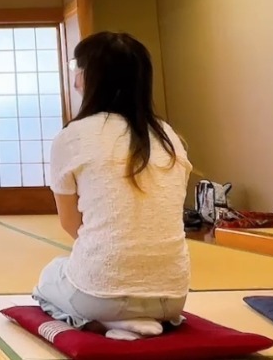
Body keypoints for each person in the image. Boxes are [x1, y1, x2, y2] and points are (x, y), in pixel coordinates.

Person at [33, 31, 192, 341]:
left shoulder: (73, 136)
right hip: (172, 297)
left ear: (90, 77)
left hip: (100, 294)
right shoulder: (169, 137)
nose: (75, 79)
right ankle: (133, 318)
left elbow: (70, 223)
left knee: (50, 276)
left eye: (77, 68)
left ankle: (112, 321)